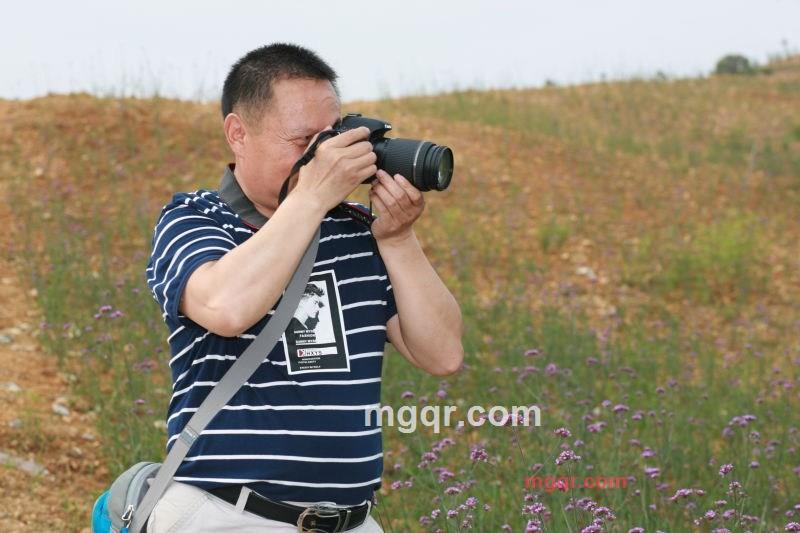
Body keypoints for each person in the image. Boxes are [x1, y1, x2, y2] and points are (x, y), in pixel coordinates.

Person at [144, 42, 464, 532]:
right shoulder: (195, 218)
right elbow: (226, 308)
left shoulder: (358, 231)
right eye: (303, 142)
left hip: (350, 521)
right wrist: (312, 196)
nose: (323, 158)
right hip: (226, 512)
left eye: (331, 138)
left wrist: (398, 240)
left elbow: (442, 354)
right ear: (238, 133)